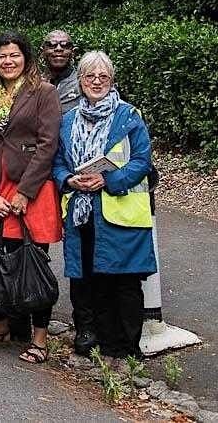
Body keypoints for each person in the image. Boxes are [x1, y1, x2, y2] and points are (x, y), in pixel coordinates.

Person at [53, 51, 156, 359]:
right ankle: (92, 336)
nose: (96, 81)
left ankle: (126, 347)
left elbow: (142, 161)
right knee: (86, 277)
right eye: (89, 76)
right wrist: (68, 179)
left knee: (123, 281)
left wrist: (108, 181)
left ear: (112, 81)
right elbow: (58, 161)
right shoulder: (68, 119)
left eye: (103, 77)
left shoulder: (129, 116)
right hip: (81, 212)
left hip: (120, 211)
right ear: (80, 81)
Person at [0, 30, 62, 364]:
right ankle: (0, 325)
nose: (8, 61)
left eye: (14, 55)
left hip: (30, 189)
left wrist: (24, 193)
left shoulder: (43, 92)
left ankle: (39, 338)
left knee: (31, 263)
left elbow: (48, 145)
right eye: (2, 56)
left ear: (26, 58)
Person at [43, 29, 80, 113]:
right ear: (43, 51)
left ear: (73, 52)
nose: (58, 49)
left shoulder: (83, 83)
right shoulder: (33, 83)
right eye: (52, 45)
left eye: (65, 45)